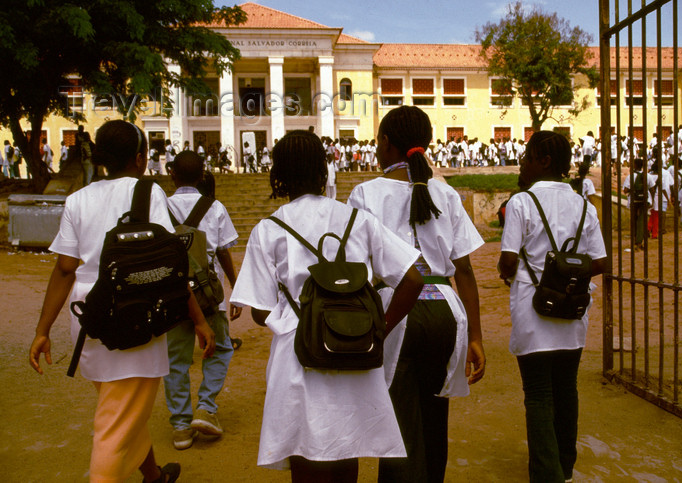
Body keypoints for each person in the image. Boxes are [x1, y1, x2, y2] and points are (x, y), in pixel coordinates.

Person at [230, 130, 424, 482]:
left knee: (304, 452)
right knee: (347, 450)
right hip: (356, 350)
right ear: (325, 170)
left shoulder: (268, 229)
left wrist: (292, 314)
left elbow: (259, 310)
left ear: (279, 174)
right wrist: (379, 327)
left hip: (299, 356)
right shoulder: (357, 220)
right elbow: (413, 280)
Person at [29, 119, 215, 482]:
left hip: (89, 318)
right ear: (140, 157)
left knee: (122, 406)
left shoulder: (77, 199)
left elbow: (65, 269)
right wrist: (199, 319)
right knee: (116, 422)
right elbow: (171, 263)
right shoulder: (147, 193)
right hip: (136, 316)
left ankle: (154, 475)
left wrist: (42, 330)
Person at [347, 106, 486, 482]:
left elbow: (356, 266)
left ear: (386, 144)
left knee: (398, 424)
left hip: (397, 310)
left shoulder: (366, 193)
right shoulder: (446, 192)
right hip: (446, 313)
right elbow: (466, 270)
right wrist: (474, 335)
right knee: (433, 419)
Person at [497, 130, 607, 482]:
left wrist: (510, 273)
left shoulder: (522, 203)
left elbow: (509, 260)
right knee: (566, 388)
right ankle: (564, 465)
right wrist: (569, 272)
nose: (522, 163)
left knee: (539, 394)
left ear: (543, 162)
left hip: (533, 308)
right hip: (572, 309)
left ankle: (547, 475)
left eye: (527, 156)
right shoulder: (584, 205)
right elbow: (601, 262)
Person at [164, 151, 240, 450]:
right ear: (202, 176)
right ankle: (206, 406)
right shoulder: (214, 207)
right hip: (210, 296)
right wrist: (235, 286)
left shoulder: (161, 207)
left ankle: (181, 427)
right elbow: (223, 250)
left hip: (173, 294)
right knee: (220, 349)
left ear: (172, 174)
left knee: (176, 361)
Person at [622, 158, 655, 251]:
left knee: (634, 221)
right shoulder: (647, 176)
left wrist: (632, 189)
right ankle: (639, 242)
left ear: (635, 165)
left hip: (634, 201)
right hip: (644, 201)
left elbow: (625, 190)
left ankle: (636, 240)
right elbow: (652, 189)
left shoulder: (630, 177)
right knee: (641, 221)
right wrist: (652, 201)